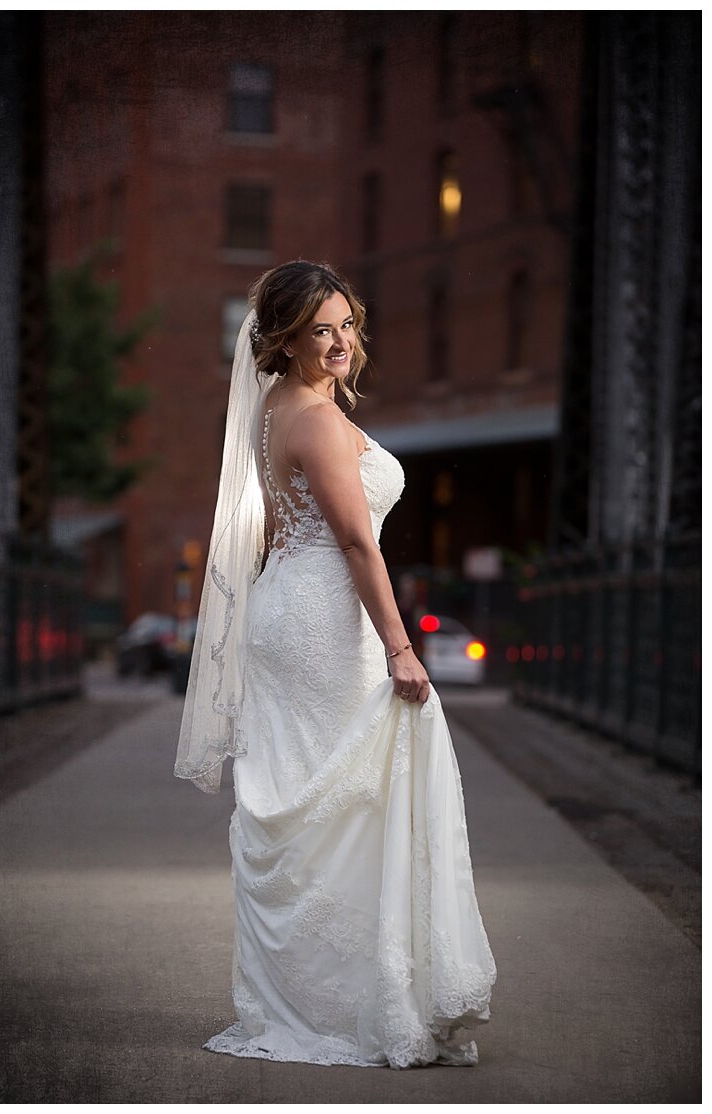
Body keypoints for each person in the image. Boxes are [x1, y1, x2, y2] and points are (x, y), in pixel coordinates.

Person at [176, 260, 495, 1068]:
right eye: (321, 329)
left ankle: (325, 992)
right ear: (284, 339)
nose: (341, 342)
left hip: (289, 607)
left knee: (323, 803)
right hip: (324, 619)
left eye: (348, 324)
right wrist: (398, 644)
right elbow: (356, 540)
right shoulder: (314, 419)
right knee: (354, 799)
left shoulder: (274, 411)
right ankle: (354, 1003)